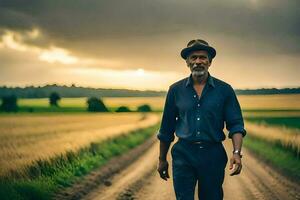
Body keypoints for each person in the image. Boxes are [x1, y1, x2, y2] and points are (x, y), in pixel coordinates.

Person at [157, 39, 246, 200]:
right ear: (187, 62)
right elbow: (166, 128)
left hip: (213, 155)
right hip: (183, 154)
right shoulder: (175, 90)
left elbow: (236, 125)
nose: (198, 61)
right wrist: (162, 159)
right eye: (194, 57)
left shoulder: (224, 90)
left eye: (203, 57)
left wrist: (237, 153)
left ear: (210, 62)